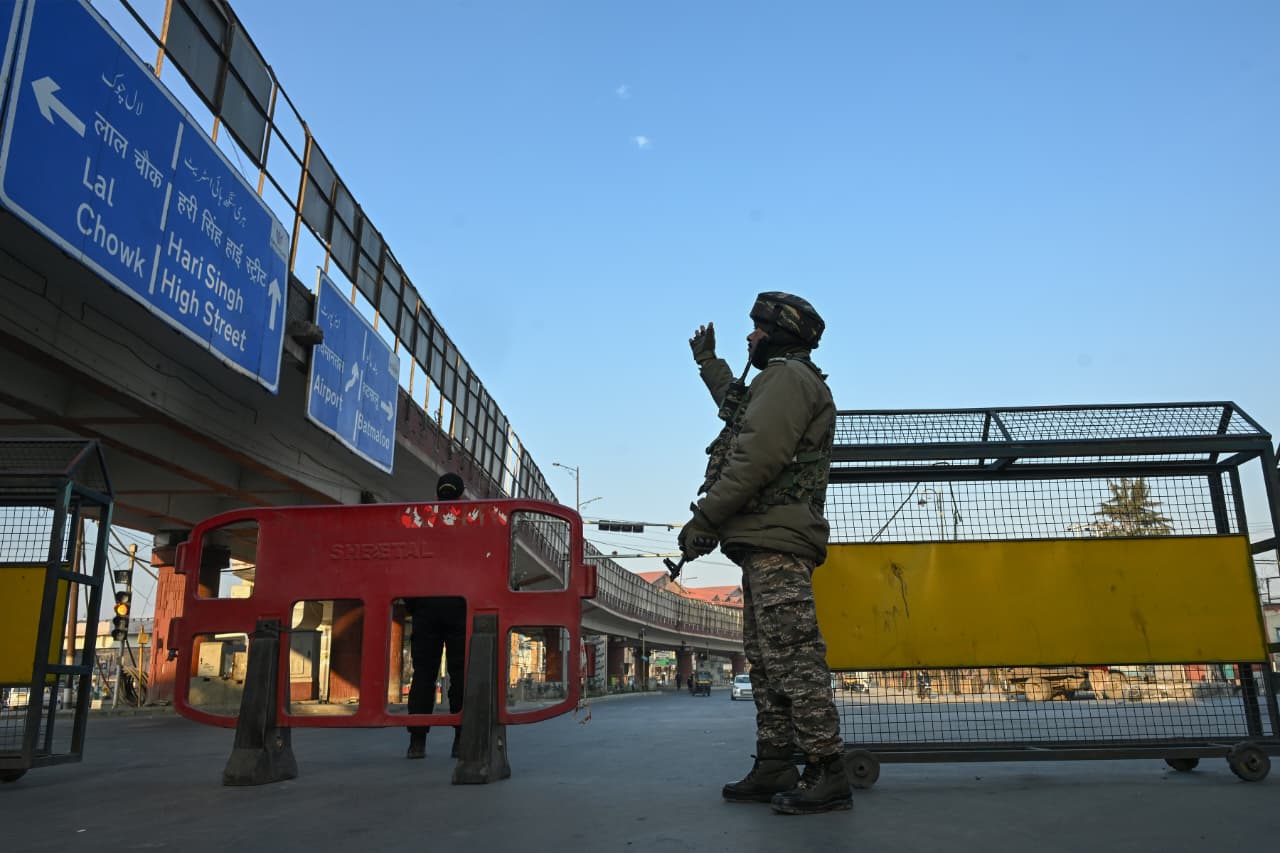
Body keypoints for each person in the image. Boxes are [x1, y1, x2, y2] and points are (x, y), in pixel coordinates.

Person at [679, 292, 850, 815]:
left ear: (779, 334)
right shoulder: (774, 381)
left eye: (756, 328)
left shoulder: (789, 380)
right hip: (763, 538)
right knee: (768, 659)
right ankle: (776, 762)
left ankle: (827, 769)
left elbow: (757, 455)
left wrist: (706, 517)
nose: (750, 336)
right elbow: (737, 408)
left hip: (778, 538)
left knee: (793, 656)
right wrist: (709, 363)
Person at [405, 472, 468, 760]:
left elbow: (409, 564)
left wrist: (414, 605)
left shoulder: (421, 523)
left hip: (426, 608)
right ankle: (461, 740)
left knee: (423, 676)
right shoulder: (470, 526)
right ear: (461, 497)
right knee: (461, 676)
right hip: (460, 607)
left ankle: (417, 743)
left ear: (436, 495)